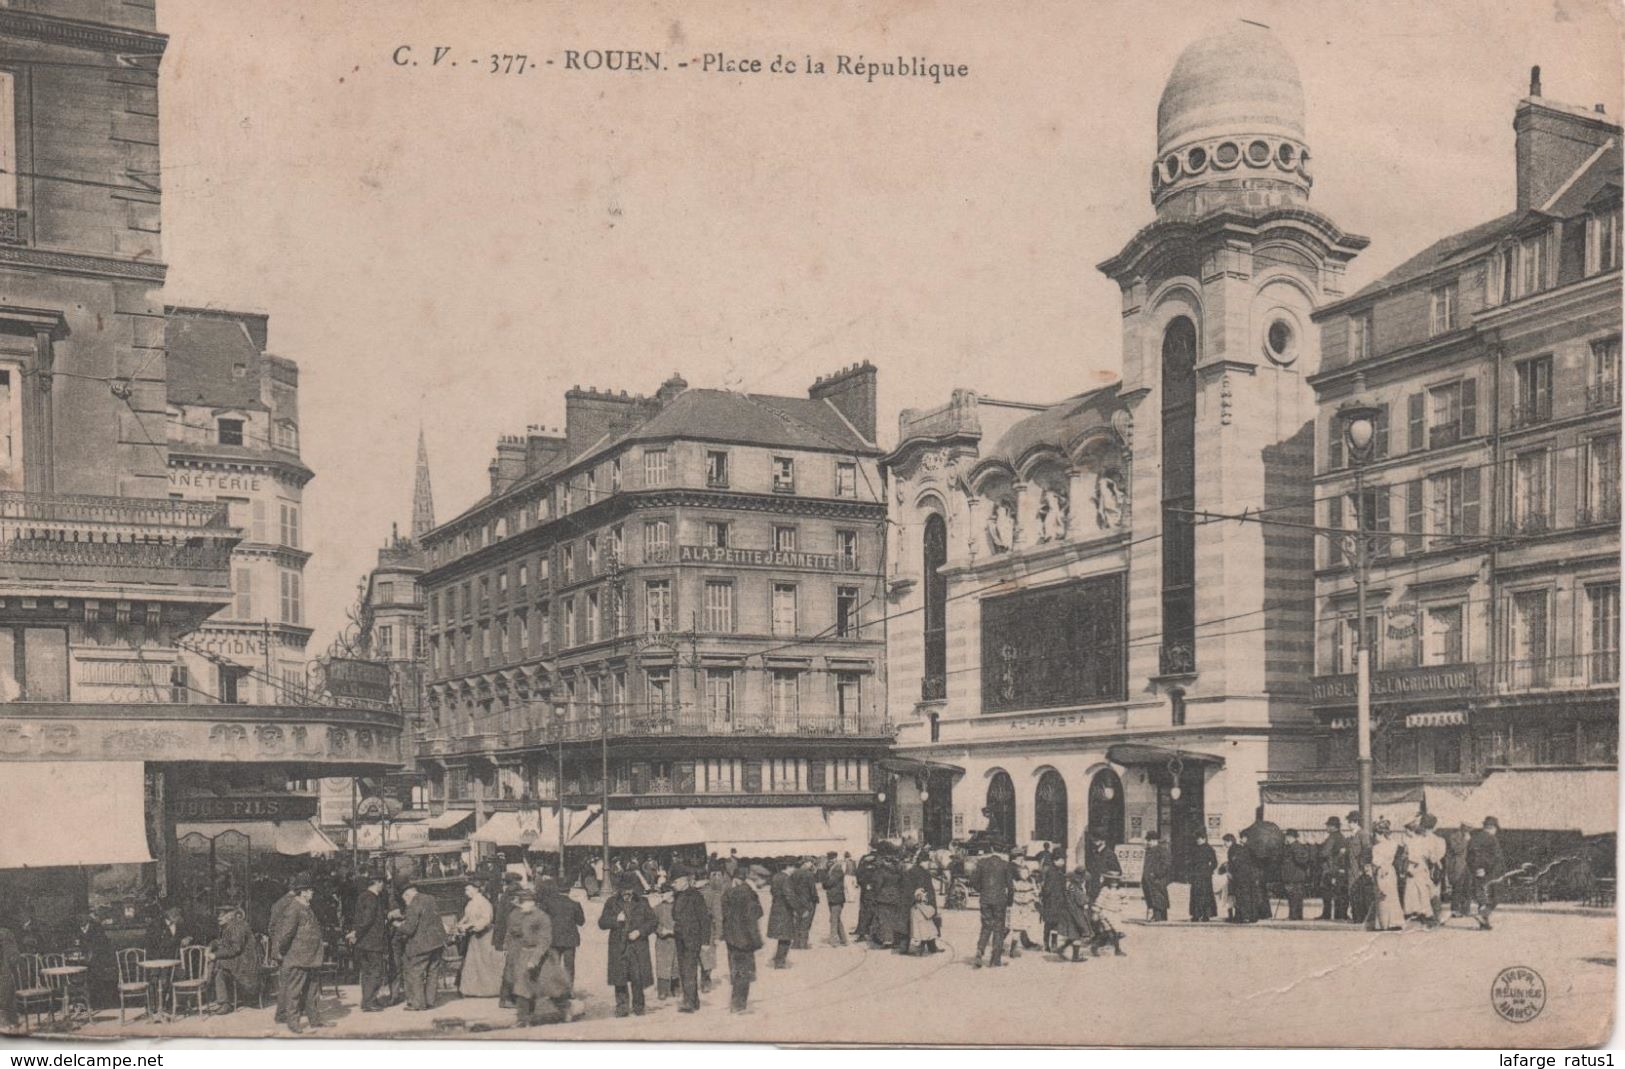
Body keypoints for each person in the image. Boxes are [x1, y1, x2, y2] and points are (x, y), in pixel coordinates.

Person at [505, 890, 569, 1027]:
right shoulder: (518, 915)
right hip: (523, 954)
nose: (522, 906)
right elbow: (511, 934)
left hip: (543, 957)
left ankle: (565, 1010)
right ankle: (523, 1019)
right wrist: (510, 951)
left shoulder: (542, 917)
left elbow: (545, 940)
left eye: (525, 903)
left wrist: (534, 959)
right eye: (521, 903)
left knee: (551, 987)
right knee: (522, 987)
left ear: (532, 903)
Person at [599, 873, 657, 1017]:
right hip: (618, 946)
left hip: (637, 946)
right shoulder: (611, 902)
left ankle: (639, 1006)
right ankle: (622, 1007)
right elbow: (602, 923)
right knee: (620, 978)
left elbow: (653, 922)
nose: (627, 893)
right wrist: (615, 919)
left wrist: (639, 931)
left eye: (630, 889)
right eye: (624, 889)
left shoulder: (643, 902)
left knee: (637, 977)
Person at [274, 877, 327, 1032]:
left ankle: (314, 1020)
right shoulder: (294, 908)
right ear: (302, 892)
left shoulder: (306, 907)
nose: (312, 892)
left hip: (311, 958)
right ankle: (293, 1023)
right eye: (310, 890)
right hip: (298, 958)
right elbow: (286, 935)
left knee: (311, 992)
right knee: (294, 993)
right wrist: (284, 953)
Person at [397, 879, 447, 1011]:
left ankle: (418, 1004)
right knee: (433, 971)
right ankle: (430, 1001)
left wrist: (398, 925)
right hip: (437, 942)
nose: (405, 902)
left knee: (415, 972)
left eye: (405, 900)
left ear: (407, 895)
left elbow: (409, 929)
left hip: (422, 945)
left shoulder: (413, 903)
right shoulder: (430, 898)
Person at [722, 866, 765, 1014]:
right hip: (745, 939)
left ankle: (736, 1003)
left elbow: (724, 914)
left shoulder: (728, 893)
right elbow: (757, 914)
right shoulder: (749, 894)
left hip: (731, 938)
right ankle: (738, 1005)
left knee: (736, 971)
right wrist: (757, 942)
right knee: (744, 973)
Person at [345, 874, 389, 1012]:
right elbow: (368, 919)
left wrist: (356, 933)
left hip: (363, 943)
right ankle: (370, 1001)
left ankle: (367, 1000)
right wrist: (356, 933)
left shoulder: (362, 896)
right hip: (373, 942)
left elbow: (360, 918)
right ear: (377, 882)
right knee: (376, 971)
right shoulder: (373, 898)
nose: (384, 886)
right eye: (382, 883)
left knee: (366, 972)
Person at [672, 867, 712, 1013]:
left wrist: (705, 941)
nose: (673, 884)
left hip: (692, 938)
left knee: (689, 969)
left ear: (684, 881)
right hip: (680, 938)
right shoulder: (677, 895)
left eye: (675, 881)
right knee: (684, 970)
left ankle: (689, 1002)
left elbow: (704, 919)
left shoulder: (695, 895)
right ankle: (693, 1001)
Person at [207, 905, 260, 1013]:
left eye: (223, 915)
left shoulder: (237, 927)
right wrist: (212, 945)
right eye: (219, 914)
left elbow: (235, 949)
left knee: (219, 970)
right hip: (239, 961)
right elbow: (224, 943)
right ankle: (218, 997)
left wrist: (215, 955)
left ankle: (223, 1002)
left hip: (245, 964)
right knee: (217, 965)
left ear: (231, 915)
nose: (219, 917)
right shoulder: (231, 926)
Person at [454, 879, 503, 998]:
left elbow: (486, 919)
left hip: (484, 936)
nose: (466, 892)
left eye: (468, 889)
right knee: (473, 963)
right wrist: (460, 925)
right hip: (474, 937)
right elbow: (466, 916)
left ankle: (490, 989)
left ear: (476, 889)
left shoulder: (484, 902)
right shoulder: (471, 903)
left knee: (485, 962)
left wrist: (473, 927)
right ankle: (473, 989)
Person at [536, 874, 585, 988]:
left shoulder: (548, 903)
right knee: (569, 966)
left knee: (554, 964)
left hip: (554, 939)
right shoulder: (575, 904)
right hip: (570, 939)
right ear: (569, 890)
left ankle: (554, 989)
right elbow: (581, 922)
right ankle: (569, 989)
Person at [971, 848, 1015, 968]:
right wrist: (1010, 902)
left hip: (985, 899)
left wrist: (982, 890)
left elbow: (973, 881)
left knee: (986, 926)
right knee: (998, 928)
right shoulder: (1005, 865)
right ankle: (995, 959)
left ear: (990, 849)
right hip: (1000, 901)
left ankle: (980, 950)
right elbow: (1011, 887)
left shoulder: (982, 863)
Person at [145, 906, 190, 1017]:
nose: (179, 917)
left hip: (173, 959)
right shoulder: (156, 925)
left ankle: (169, 1006)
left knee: (173, 980)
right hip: (158, 959)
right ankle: (153, 1008)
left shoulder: (179, 925)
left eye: (179, 914)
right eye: (176, 914)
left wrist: (188, 938)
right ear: (170, 914)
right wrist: (179, 941)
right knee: (158, 982)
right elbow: (157, 944)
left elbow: (185, 935)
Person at [68, 913, 117, 1009]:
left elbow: (103, 945)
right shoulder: (75, 930)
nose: (80, 919)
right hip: (81, 960)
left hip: (97, 960)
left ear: (87, 918)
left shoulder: (96, 928)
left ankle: (94, 1002)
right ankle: (79, 1002)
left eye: (82, 916)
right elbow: (74, 944)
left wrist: (93, 954)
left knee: (94, 976)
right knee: (75, 973)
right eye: (78, 917)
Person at [1467, 816, 1507, 930]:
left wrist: (1476, 868)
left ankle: (1484, 923)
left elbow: (1470, 856)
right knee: (1495, 897)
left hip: (1478, 872)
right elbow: (1494, 857)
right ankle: (1483, 916)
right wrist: (1485, 868)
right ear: (1492, 827)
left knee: (1483, 897)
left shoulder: (1474, 838)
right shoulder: (1491, 839)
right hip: (1492, 873)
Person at [1403, 818, 1444, 927]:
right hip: (1425, 868)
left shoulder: (1412, 842)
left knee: (1418, 892)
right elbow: (1433, 857)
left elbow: (1410, 857)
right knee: (1428, 892)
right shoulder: (1435, 840)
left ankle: (1422, 914)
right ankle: (1432, 916)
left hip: (1415, 868)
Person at [1368, 821, 1405, 931]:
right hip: (1391, 870)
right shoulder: (1393, 844)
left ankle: (1383, 923)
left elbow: (1375, 862)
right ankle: (1394, 921)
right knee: (1393, 896)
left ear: (1379, 834)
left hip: (1381, 871)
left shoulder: (1377, 847)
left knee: (1382, 898)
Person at [899, 852, 936, 955]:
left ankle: (904, 948)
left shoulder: (909, 871)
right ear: (924, 861)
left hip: (909, 901)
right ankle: (930, 948)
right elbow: (927, 889)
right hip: (922, 903)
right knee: (926, 925)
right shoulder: (924, 873)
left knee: (908, 924)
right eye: (928, 862)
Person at [1224, 833, 1262, 923]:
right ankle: (1252, 916)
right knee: (1248, 895)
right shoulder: (1241, 848)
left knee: (1241, 896)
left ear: (1230, 841)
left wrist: (1230, 873)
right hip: (1248, 875)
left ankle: (1241, 917)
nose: (1224, 844)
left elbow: (1235, 863)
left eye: (1225, 842)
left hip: (1240, 876)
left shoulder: (1233, 849)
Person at [767, 860, 799, 968]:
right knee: (786, 937)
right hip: (785, 910)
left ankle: (778, 959)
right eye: (794, 867)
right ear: (789, 867)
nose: (794, 870)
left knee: (782, 936)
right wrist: (797, 907)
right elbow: (789, 895)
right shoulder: (786, 878)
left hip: (776, 908)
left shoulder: (776, 877)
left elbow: (772, 891)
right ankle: (780, 962)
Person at [1317, 817, 1350, 921]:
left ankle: (1326, 914)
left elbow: (1324, 853)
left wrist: (1318, 852)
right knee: (1340, 893)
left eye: (1328, 825)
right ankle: (1340, 914)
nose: (1326, 827)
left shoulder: (1332, 837)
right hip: (1340, 869)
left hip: (1330, 869)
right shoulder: (1342, 837)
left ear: (1333, 827)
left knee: (1326, 892)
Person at [1345, 813, 1375, 926]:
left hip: (1359, 869)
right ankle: (1356, 916)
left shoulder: (1362, 834)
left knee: (1358, 892)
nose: (1348, 824)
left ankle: (1360, 917)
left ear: (1356, 822)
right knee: (1353, 892)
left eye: (1350, 822)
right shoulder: (1353, 835)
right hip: (1352, 868)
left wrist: (1364, 867)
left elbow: (1367, 851)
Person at [651, 884, 678, 1000]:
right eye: (662, 893)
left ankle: (676, 988)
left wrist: (676, 930)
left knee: (676, 964)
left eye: (665, 892)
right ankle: (662, 990)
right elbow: (652, 923)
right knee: (662, 965)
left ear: (672, 893)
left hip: (677, 940)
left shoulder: (679, 907)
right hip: (662, 941)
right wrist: (662, 930)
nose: (663, 895)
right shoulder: (657, 908)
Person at [1445, 821, 1474, 918]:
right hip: (1457, 866)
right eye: (1468, 827)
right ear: (1463, 827)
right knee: (1457, 888)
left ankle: (1466, 910)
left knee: (1468, 887)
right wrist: (1466, 841)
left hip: (1467, 865)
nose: (1470, 829)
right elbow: (1456, 850)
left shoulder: (1469, 837)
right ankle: (1455, 910)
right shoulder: (1454, 836)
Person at [789, 858, 819, 951]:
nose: (812, 865)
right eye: (811, 863)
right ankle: (803, 944)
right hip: (808, 902)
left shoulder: (793, 873)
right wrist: (815, 899)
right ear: (806, 863)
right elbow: (812, 890)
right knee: (806, 923)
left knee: (797, 923)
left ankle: (795, 944)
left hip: (796, 902)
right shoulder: (809, 874)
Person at [1281, 830, 1311, 921]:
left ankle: (1293, 916)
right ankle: (1297, 915)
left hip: (1293, 875)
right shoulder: (1296, 846)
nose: (1286, 839)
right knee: (1296, 897)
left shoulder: (1294, 847)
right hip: (1296, 876)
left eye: (1287, 837)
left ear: (1290, 837)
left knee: (1293, 896)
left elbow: (1301, 860)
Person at [1188, 833, 1219, 922]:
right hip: (1195, 875)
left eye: (1200, 839)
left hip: (1205, 876)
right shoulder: (1194, 849)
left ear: (1204, 839)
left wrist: (1209, 870)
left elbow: (1214, 862)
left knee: (1206, 895)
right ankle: (1196, 914)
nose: (1198, 840)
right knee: (1195, 895)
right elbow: (1190, 862)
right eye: (1197, 839)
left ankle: (1206, 915)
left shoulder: (1209, 849)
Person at [1141, 831, 1171, 921]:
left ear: (1155, 840)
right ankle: (1158, 916)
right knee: (1151, 897)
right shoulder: (1149, 851)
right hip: (1149, 879)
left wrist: (1157, 874)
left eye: (1149, 840)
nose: (1148, 842)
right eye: (1147, 840)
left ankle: (1159, 916)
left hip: (1158, 879)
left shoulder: (1161, 850)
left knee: (1158, 898)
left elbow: (1166, 864)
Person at [1083, 835, 1120, 903]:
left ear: (1103, 841)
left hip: (1104, 889)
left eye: (1096, 840)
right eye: (1093, 840)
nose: (1094, 842)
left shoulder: (1110, 854)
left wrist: (1106, 875)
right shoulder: (1093, 853)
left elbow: (1117, 872)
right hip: (1092, 888)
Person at [821, 853, 848, 946]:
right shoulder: (831, 869)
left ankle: (834, 941)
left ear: (835, 859)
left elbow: (828, 883)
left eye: (831, 859)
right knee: (836, 919)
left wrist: (825, 882)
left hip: (836, 897)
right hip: (833, 897)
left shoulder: (837, 869)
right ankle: (844, 940)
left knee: (834, 919)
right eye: (829, 859)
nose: (830, 861)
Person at [908, 887, 941, 955]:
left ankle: (929, 949)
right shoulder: (920, 906)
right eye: (924, 896)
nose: (926, 898)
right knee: (924, 937)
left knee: (926, 936)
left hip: (923, 925)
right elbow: (929, 913)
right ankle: (921, 950)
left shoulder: (916, 907)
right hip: (923, 926)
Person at [0, 912, 19, 1029]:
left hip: (4, 972)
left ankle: (6, 1018)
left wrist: (11, 957)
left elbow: (15, 956)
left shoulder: (5, 934)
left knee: (5, 983)